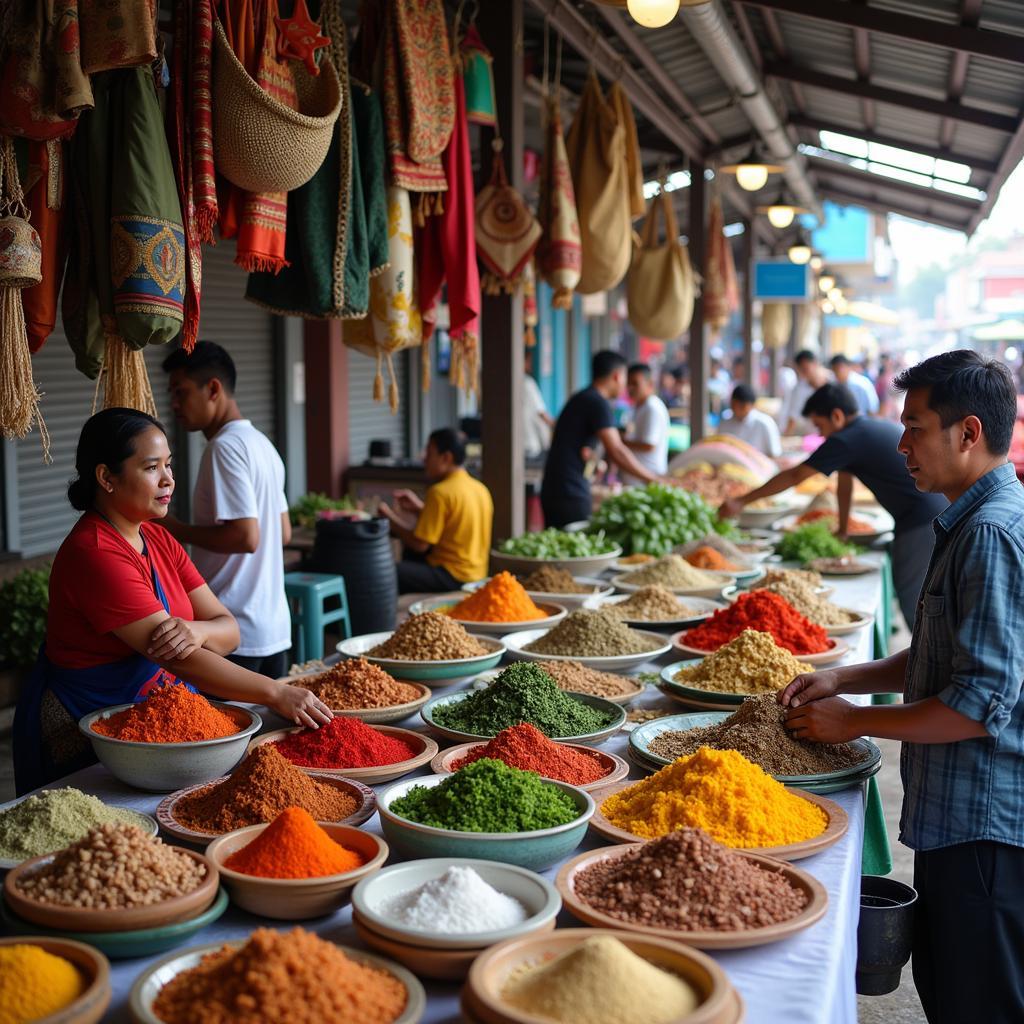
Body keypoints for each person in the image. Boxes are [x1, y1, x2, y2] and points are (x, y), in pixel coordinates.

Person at [778, 352, 1024, 1024]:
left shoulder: (992, 533)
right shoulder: (971, 517)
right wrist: (846, 675)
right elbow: (945, 655)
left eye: (915, 427)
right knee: (950, 990)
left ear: (968, 433)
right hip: (961, 821)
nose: (902, 444)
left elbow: (979, 703)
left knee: (979, 1003)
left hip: (986, 831)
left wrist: (855, 721)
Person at [12, 409, 331, 795]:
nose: (168, 480)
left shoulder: (159, 539)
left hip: (161, 716)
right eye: (151, 468)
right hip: (92, 726)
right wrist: (276, 691)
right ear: (106, 478)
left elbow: (228, 630)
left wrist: (197, 630)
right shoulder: (94, 552)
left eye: (169, 465)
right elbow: (174, 655)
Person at [720, 382, 947, 628]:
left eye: (820, 426)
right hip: (928, 514)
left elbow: (796, 475)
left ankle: (925, 662)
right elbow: (845, 482)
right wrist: (843, 528)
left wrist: (740, 501)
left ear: (837, 416)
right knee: (919, 598)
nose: (821, 435)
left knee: (913, 600)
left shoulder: (846, 438)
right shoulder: (864, 430)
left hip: (921, 522)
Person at [160, 342, 292, 679]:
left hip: (235, 631)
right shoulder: (262, 444)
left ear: (213, 389)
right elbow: (284, 532)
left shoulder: (224, 448)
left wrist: (172, 528)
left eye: (181, 392)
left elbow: (246, 537)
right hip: (273, 630)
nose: (174, 404)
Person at [541, 351, 662, 527]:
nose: (626, 387)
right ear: (617, 376)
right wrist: (654, 479)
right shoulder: (597, 402)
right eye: (626, 380)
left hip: (560, 488)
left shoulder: (584, 397)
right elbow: (617, 450)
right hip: (568, 492)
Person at [378, 428, 493, 593]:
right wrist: (420, 509)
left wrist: (390, 520)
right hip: (477, 574)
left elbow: (420, 544)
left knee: (389, 570)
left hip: (452, 576)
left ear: (446, 457)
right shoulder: (480, 489)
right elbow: (454, 522)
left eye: (429, 453)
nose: (424, 459)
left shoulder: (440, 492)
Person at [621, 363, 670, 485]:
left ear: (650, 384)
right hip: (639, 478)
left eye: (635, 383)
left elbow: (649, 445)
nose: (630, 388)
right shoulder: (639, 406)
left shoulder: (652, 408)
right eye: (628, 383)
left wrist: (619, 442)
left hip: (648, 477)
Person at [717, 384, 782, 457]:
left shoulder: (765, 423)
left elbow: (775, 454)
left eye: (741, 406)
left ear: (752, 405)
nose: (736, 409)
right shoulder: (725, 424)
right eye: (734, 405)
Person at [776, 350, 829, 435]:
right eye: (802, 370)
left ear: (815, 363)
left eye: (806, 369)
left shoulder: (832, 381)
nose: (805, 373)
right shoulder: (799, 389)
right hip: (813, 435)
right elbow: (793, 417)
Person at [523, 348, 554, 460]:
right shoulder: (527, 382)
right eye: (528, 361)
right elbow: (541, 412)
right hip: (528, 441)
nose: (530, 364)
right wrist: (556, 425)